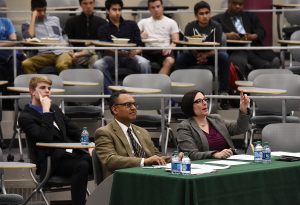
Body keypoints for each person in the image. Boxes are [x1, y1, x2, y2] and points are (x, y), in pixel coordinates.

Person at [18, 76, 92, 205]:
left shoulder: (55, 109)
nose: (47, 91)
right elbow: (45, 137)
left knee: (102, 159)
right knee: (83, 164)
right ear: (32, 91)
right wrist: (46, 111)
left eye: (49, 88)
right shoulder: (25, 117)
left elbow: (74, 130)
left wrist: (90, 144)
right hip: (51, 161)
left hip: (71, 155)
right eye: (42, 88)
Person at [94, 90, 170, 179]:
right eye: (128, 105)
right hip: (123, 180)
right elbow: (110, 160)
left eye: (134, 104)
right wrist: (143, 161)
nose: (133, 108)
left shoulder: (142, 131)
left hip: (148, 176)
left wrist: (176, 159)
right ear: (115, 109)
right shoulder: (105, 132)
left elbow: (156, 156)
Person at [93, 0, 151, 94]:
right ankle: (113, 96)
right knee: (98, 65)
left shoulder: (131, 24)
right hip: (112, 57)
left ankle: (144, 95)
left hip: (130, 56)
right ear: (107, 11)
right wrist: (123, 53)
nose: (117, 13)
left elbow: (140, 45)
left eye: (119, 10)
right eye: (114, 10)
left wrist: (135, 52)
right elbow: (104, 50)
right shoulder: (103, 28)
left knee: (144, 63)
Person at [175, 1, 230, 99]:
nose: (205, 16)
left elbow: (218, 47)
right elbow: (189, 46)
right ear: (196, 16)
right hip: (194, 55)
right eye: (201, 14)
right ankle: (178, 92)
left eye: (207, 13)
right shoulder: (190, 26)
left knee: (224, 57)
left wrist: (205, 55)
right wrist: (198, 55)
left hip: (212, 55)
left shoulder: (216, 26)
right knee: (180, 58)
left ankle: (224, 92)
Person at [177, 90, 250, 160]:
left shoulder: (216, 119)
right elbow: (191, 154)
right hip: (205, 167)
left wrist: (243, 110)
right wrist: (215, 154)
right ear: (189, 105)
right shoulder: (185, 127)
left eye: (205, 99)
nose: (205, 103)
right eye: (199, 101)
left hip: (228, 161)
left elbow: (241, 128)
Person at [213, 0, 280, 76]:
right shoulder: (218, 19)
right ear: (229, 3)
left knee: (273, 60)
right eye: (235, 3)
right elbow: (213, 33)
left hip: (253, 47)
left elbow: (261, 31)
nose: (238, 6)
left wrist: (254, 36)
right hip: (235, 50)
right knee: (239, 62)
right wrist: (226, 35)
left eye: (240, 4)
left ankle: (267, 79)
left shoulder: (251, 16)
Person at [21, 0, 73, 74]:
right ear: (32, 10)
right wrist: (33, 18)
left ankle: (64, 85)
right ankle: (37, 84)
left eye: (44, 10)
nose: (42, 13)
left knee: (61, 65)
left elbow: (63, 35)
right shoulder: (27, 24)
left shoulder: (55, 19)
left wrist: (70, 50)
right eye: (39, 10)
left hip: (61, 52)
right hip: (44, 54)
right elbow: (30, 37)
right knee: (26, 64)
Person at [138, 0, 179, 75]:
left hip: (164, 49)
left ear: (162, 7)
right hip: (148, 50)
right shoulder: (143, 22)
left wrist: (170, 47)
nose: (156, 9)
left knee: (170, 61)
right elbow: (133, 37)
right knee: (141, 62)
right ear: (149, 9)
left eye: (158, 6)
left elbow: (176, 40)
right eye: (153, 7)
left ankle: (157, 83)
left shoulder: (171, 22)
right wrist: (140, 36)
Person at [64, 0, 107, 68]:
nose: (88, 6)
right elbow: (67, 41)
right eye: (85, 3)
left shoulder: (102, 22)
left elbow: (103, 44)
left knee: (95, 57)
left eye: (91, 3)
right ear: (80, 5)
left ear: (94, 4)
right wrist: (72, 53)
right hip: (77, 55)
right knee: (94, 57)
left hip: (96, 52)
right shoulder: (71, 22)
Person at [0, 17, 22, 83]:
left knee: (15, 62)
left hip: (6, 50)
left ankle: (12, 88)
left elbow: (13, 41)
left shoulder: (5, 21)